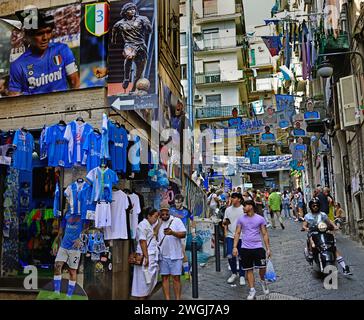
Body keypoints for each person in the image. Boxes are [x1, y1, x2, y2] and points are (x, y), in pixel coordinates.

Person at [9, 12, 80, 96]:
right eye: (40, 33)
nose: (45, 38)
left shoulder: (62, 50)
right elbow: (14, 98)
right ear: (29, 36)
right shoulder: (17, 65)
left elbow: (75, 82)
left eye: (48, 32)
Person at [302, 198, 353, 276]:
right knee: (311, 240)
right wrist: (306, 228)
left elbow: (329, 221)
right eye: (313, 206)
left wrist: (334, 226)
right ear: (311, 207)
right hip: (313, 233)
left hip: (323, 232)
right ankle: (311, 253)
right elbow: (304, 225)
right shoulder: (307, 216)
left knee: (333, 247)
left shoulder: (323, 214)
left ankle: (344, 267)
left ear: (319, 206)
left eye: (316, 205)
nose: (315, 207)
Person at [233, 200, 271, 300]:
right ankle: (252, 290)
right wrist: (235, 247)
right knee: (248, 270)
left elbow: (264, 234)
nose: (243, 208)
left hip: (258, 247)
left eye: (245, 206)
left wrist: (268, 248)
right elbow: (237, 233)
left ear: (250, 206)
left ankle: (263, 280)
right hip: (245, 248)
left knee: (262, 268)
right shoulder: (241, 219)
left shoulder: (260, 219)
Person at [111, 2, 152, 92]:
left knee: (140, 70)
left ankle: (133, 88)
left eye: (133, 9)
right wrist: (113, 41)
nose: (132, 11)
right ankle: (126, 78)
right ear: (125, 12)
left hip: (141, 45)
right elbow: (113, 33)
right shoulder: (119, 24)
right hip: (129, 44)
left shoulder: (142, 19)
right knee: (129, 55)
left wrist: (147, 25)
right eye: (129, 9)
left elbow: (149, 31)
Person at [49, 213, 87, 299]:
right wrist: (55, 242)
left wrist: (80, 239)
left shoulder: (83, 213)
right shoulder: (66, 214)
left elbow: (87, 229)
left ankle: (69, 296)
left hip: (75, 248)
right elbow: (61, 231)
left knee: (72, 271)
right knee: (57, 266)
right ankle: (56, 293)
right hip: (64, 245)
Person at [158, 203, 187, 300]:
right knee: (165, 278)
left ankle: (177, 299)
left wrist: (172, 233)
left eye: (166, 213)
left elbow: (183, 234)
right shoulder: (158, 222)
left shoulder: (176, 221)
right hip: (163, 255)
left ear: (169, 211)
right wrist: (158, 224)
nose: (165, 215)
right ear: (160, 213)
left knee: (176, 278)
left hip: (175, 255)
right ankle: (167, 298)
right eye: (163, 213)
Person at [131, 208, 160, 299]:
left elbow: (157, 224)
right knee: (144, 282)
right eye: (155, 217)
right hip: (145, 256)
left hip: (150, 255)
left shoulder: (149, 225)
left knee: (149, 281)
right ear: (149, 216)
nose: (156, 219)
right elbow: (143, 241)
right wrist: (146, 257)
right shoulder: (142, 225)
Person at [169, 194, 196, 279]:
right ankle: (173, 272)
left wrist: (193, 231)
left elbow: (192, 219)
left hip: (182, 233)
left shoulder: (186, 211)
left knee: (182, 252)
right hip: (171, 233)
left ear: (182, 202)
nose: (177, 204)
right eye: (176, 202)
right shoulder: (171, 208)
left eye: (179, 202)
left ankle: (186, 272)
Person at [222, 193, 245, 286]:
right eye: (232, 197)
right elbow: (226, 222)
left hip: (242, 236)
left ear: (239, 199)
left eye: (234, 197)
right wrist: (225, 232)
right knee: (230, 255)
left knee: (241, 256)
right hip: (231, 236)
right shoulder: (228, 209)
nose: (232, 199)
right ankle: (234, 273)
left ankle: (242, 275)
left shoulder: (244, 209)